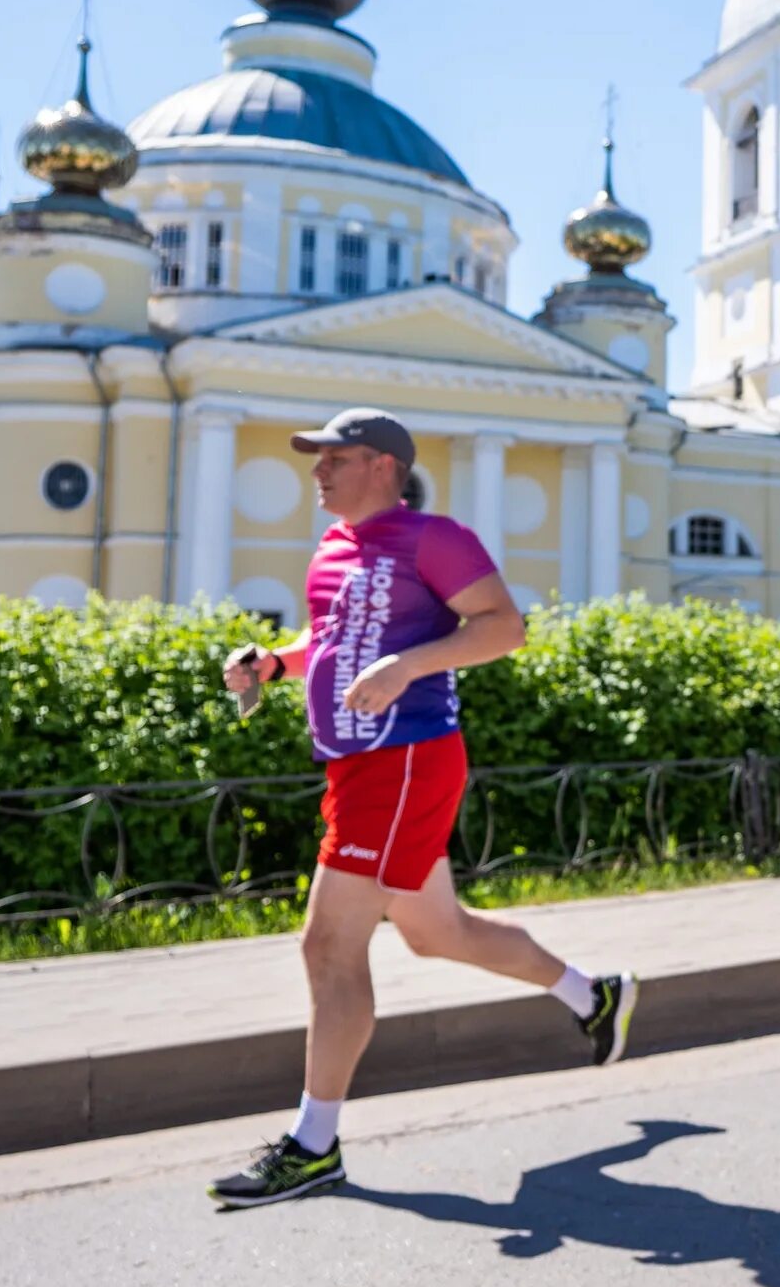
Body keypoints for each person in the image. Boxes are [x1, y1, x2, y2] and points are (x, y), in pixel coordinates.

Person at [208, 409, 635, 1209]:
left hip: (405, 758)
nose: (317, 472)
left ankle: (313, 1145)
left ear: (381, 466)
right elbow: (332, 641)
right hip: (355, 768)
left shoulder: (435, 538)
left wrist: (409, 666)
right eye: (316, 459)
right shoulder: (333, 550)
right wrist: (272, 663)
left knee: (329, 945)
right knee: (440, 933)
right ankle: (593, 996)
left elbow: (504, 627)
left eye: (333, 459)